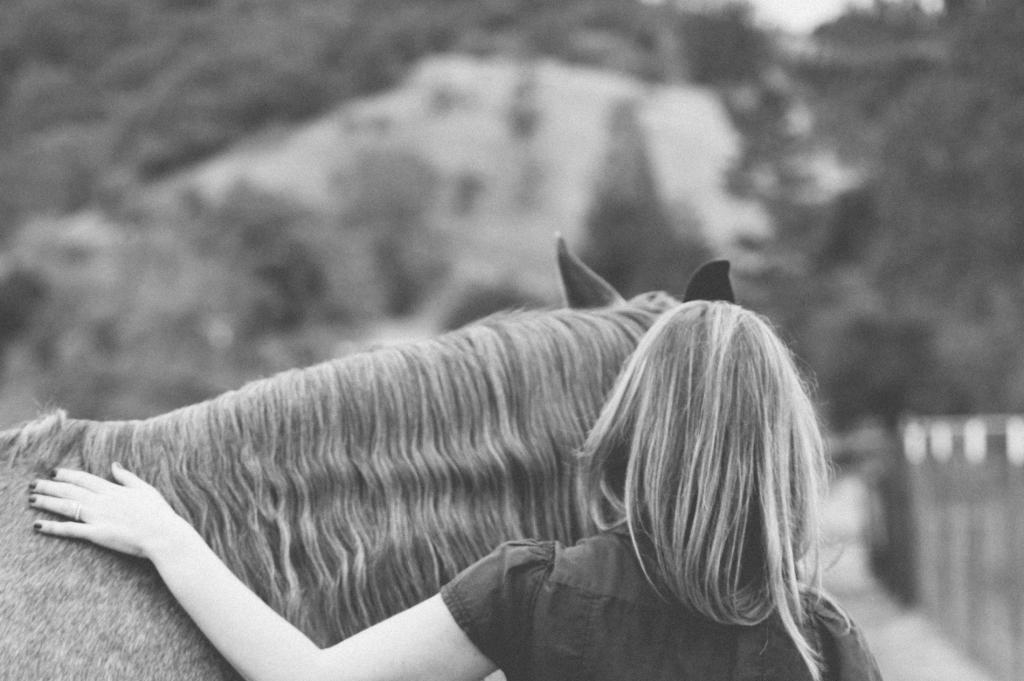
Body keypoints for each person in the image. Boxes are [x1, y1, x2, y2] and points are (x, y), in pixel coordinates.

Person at [27, 300, 882, 681]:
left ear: (635, 428)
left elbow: (309, 678)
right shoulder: (826, 646)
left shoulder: (538, 590)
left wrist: (170, 538)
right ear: (786, 452)